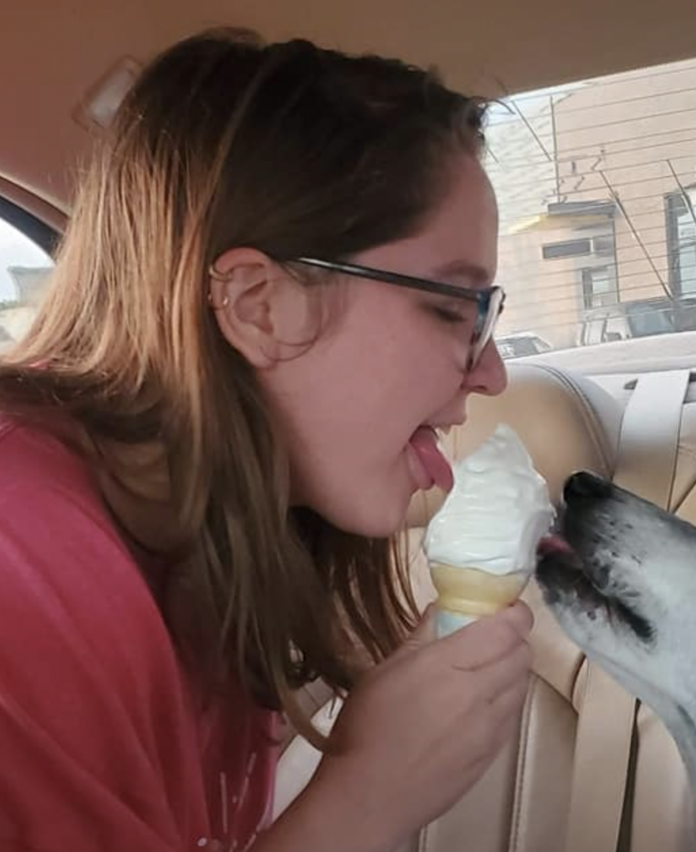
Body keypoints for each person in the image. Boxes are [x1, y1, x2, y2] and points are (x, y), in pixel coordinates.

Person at [0, 27, 535, 852]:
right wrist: (363, 802)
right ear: (258, 305)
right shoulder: (23, 572)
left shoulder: (210, 568)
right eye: (454, 308)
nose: (491, 371)